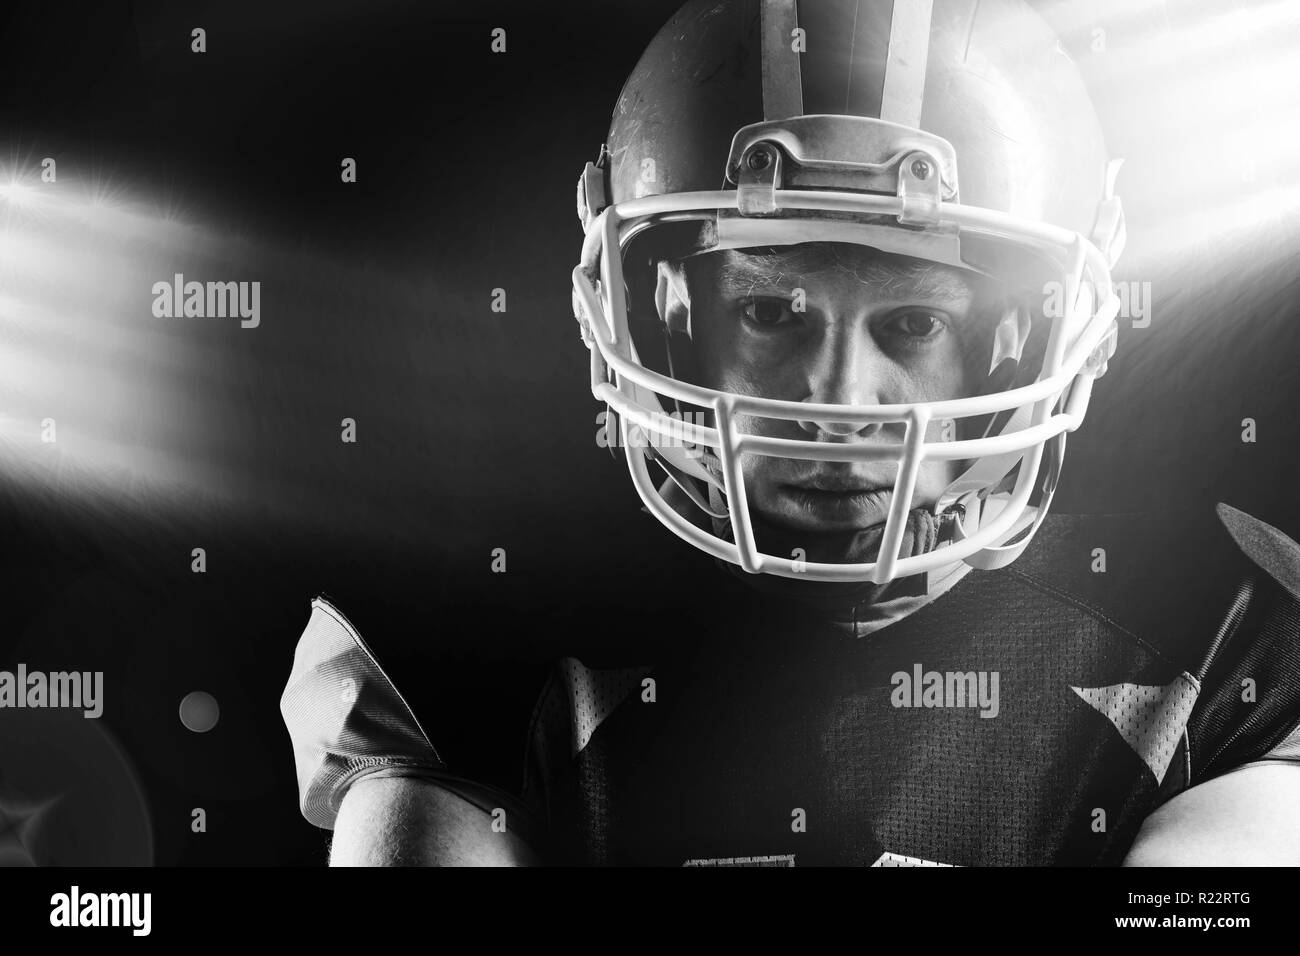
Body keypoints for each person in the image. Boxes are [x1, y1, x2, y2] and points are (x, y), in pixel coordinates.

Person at [281, 0, 1300, 866]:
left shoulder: (1218, 626)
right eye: (771, 313)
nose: (841, 398)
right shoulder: (478, 620)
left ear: (1019, 334)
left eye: (913, 322)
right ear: (663, 311)